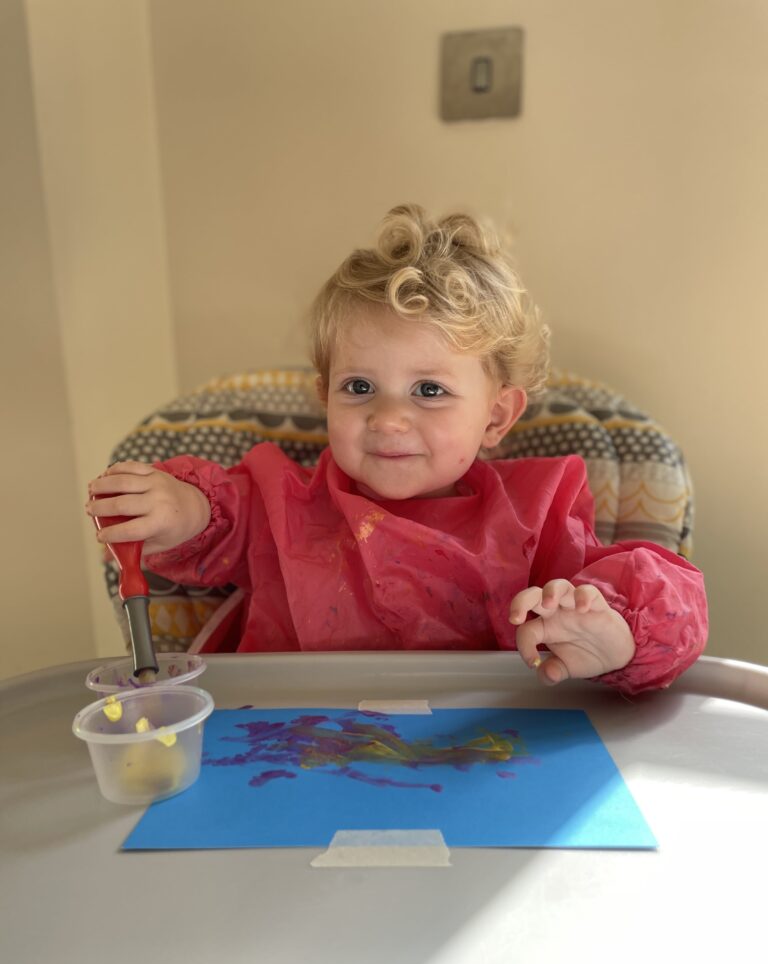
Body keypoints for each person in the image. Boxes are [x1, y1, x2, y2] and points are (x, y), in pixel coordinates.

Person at [86, 204, 707, 694]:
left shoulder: (533, 517)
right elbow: (214, 525)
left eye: (429, 389)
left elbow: (674, 606)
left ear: (497, 415)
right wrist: (178, 509)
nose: (387, 418)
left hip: (482, 761)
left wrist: (611, 632)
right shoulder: (281, 505)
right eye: (359, 387)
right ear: (324, 395)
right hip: (289, 752)